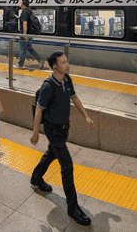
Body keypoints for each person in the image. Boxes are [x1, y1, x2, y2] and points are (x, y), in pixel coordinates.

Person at [29, 50, 93, 227]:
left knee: (52, 153)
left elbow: (74, 97)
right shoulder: (48, 86)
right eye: (63, 63)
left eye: (67, 61)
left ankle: (36, 177)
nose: (67, 65)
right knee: (67, 166)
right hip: (53, 129)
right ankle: (72, 207)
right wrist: (35, 132)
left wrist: (86, 116)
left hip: (64, 127)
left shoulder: (67, 79)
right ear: (55, 67)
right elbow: (39, 109)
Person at [17, 0, 44, 70]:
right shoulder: (30, 11)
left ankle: (20, 65)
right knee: (29, 48)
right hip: (30, 33)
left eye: (21, 3)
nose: (20, 5)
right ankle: (40, 60)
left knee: (23, 49)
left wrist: (24, 34)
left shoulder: (24, 12)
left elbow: (25, 23)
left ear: (23, 5)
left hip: (25, 33)